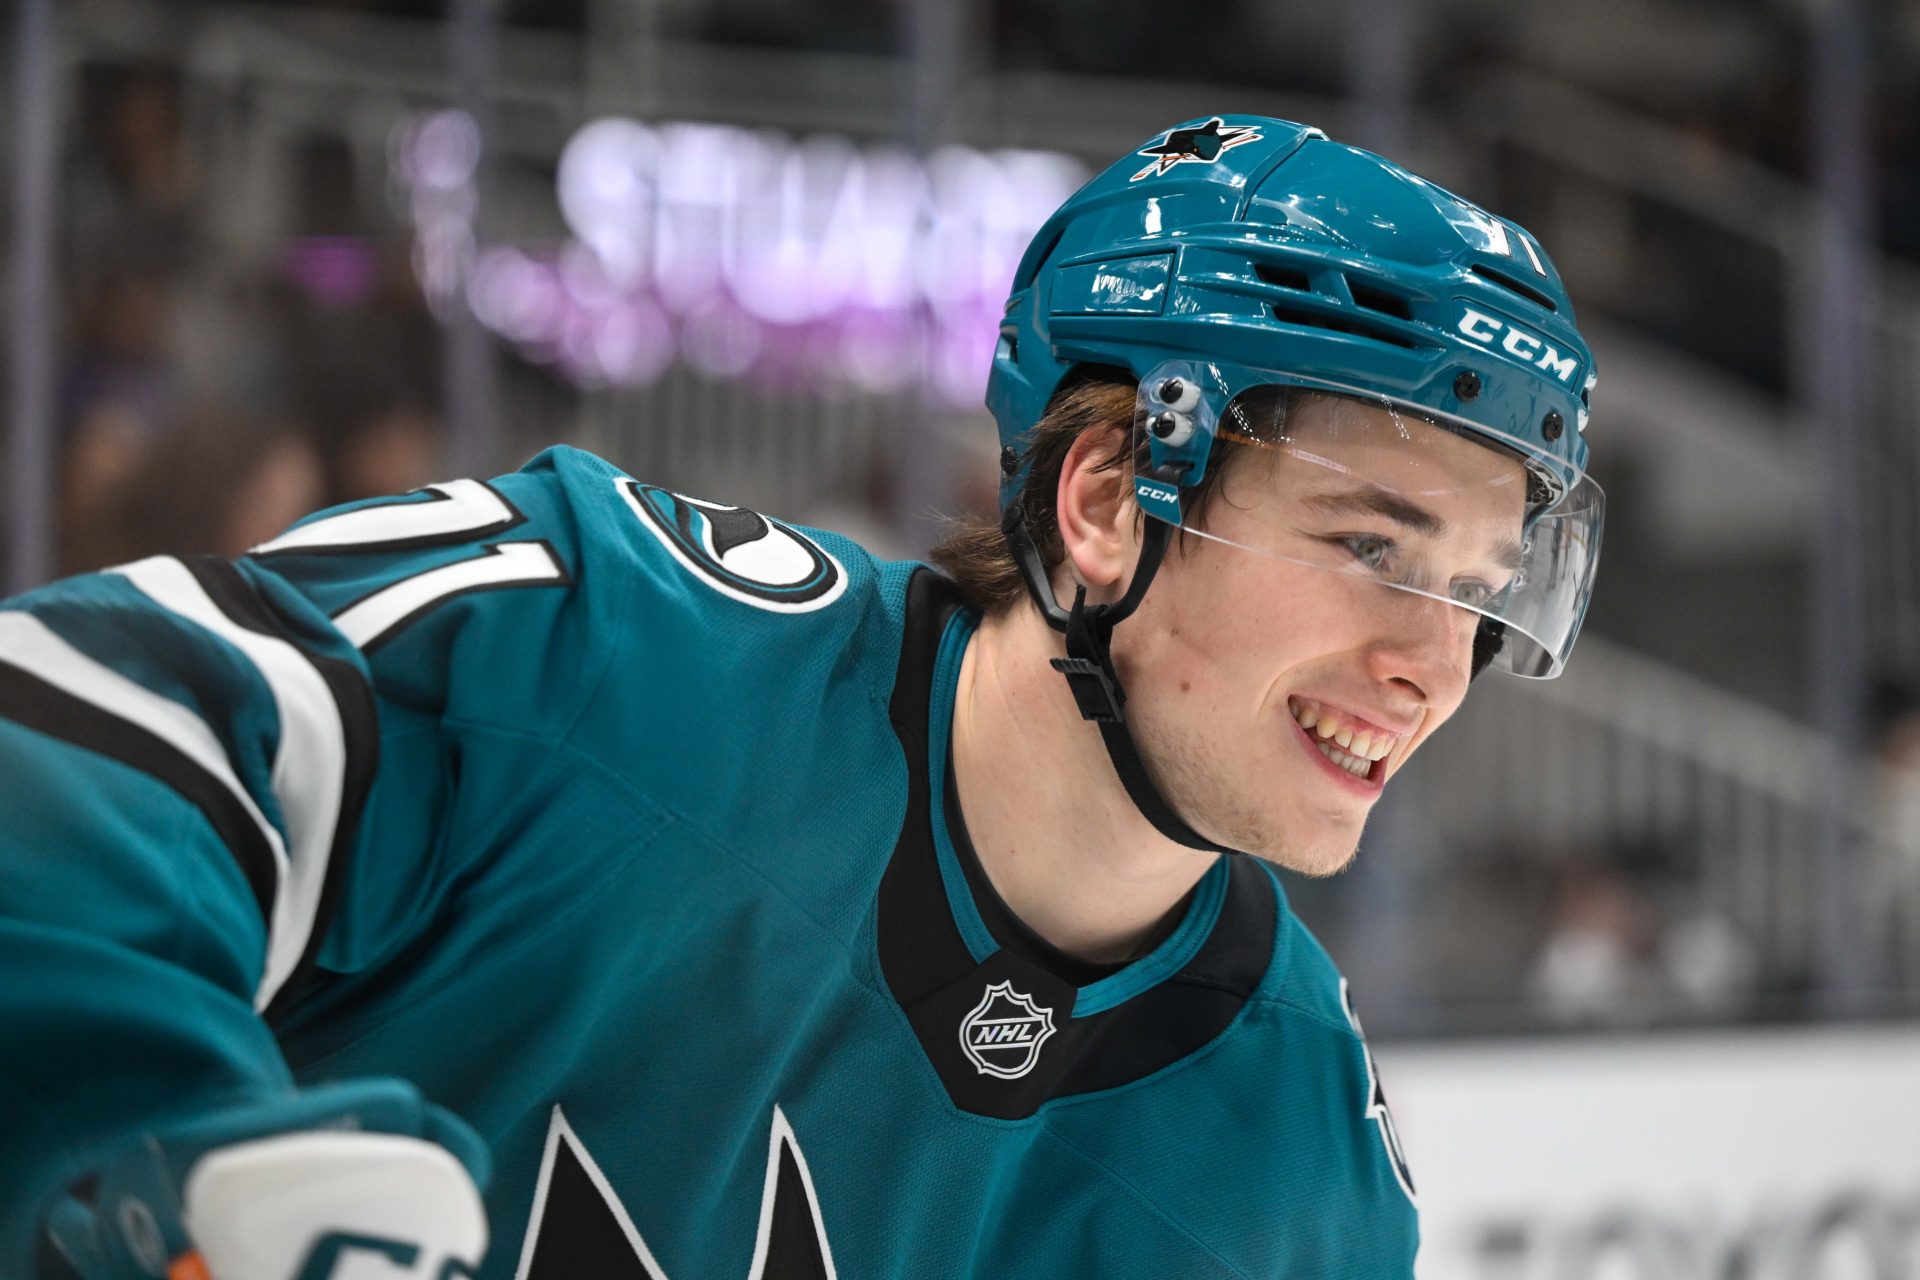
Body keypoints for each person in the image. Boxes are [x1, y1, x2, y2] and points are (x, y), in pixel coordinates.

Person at [1, 116, 1603, 1279]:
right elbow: (54, 738)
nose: (1432, 664)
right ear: (1110, 496)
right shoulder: (603, 640)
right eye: (1372, 548)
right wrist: (163, 1154)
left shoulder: (1295, 1170)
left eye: (1476, 590)